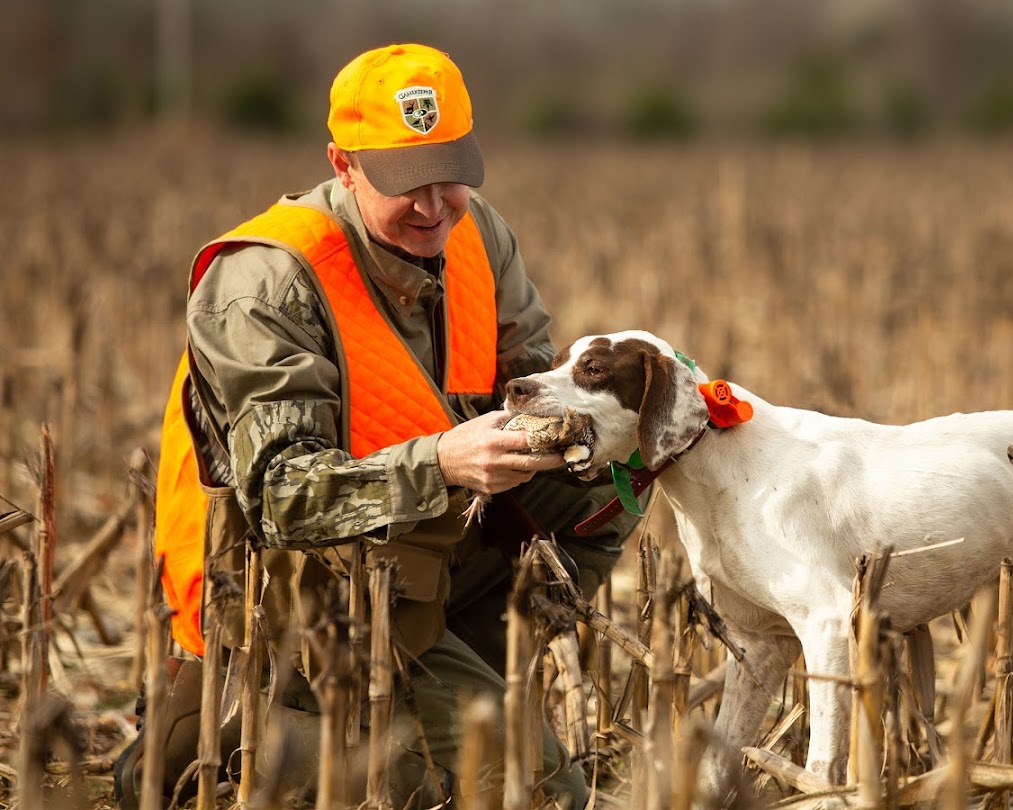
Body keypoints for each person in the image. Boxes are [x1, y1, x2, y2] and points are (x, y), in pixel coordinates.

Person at [116, 43, 640, 808]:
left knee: (616, 482)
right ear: (344, 163)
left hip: (428, 557)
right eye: (405, 183)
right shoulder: (265, 283)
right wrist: (444, 464)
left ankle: (452, 688)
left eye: (451, 172)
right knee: (534, 792)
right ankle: (237, 740)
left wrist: (630, 415)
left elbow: (529, 381)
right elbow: (281, 501)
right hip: (306, 594)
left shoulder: (476, 234)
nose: (434, 206)